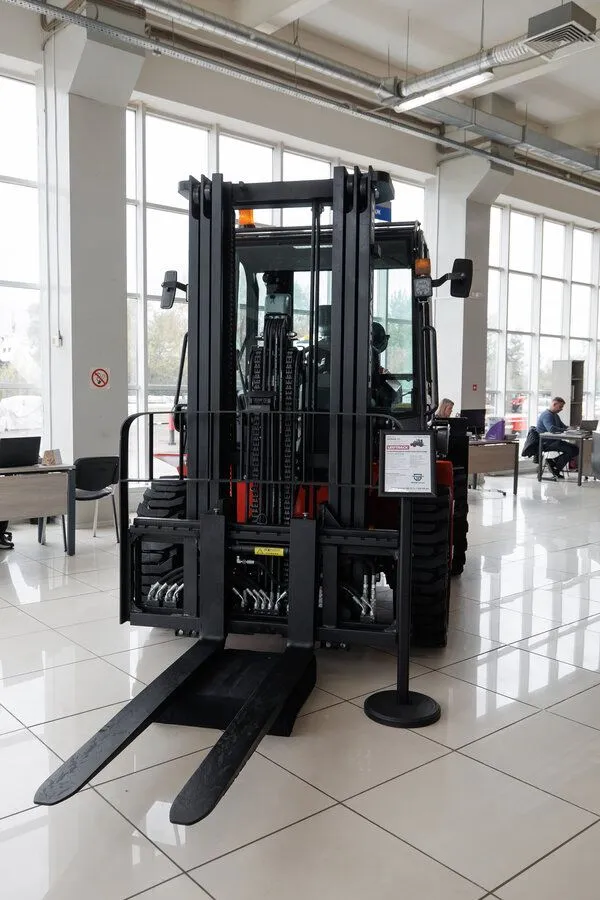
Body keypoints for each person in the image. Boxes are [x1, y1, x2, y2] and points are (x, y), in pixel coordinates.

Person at [536, 396, 578, 479]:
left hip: (554, 441)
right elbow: (551, 429)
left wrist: (572, 428)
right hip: (547, 443)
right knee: (572, 450)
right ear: (554, 404)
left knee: (575, 449)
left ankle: (553, 463)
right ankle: (555, 467)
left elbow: (563, 427)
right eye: (560, 407)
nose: (561, 409)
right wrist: (565, 430)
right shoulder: (547, 415)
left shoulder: (555, 415)